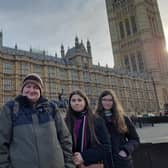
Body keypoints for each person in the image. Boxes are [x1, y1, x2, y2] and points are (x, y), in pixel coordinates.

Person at [0, 73, 75, 168]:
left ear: (40, 91)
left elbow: (65, 139)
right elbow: (1, 144)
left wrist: (69, 165)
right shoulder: (10, 109)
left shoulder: (52, 108)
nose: (31, 90)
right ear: (22, 89)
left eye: (36, 87)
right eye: (28, 86)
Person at [65, 90, 111, 168]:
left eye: (79, 100)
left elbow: (106, 147)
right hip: (70, 165)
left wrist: (84, 156)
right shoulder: (65, 122)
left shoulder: (97, 121)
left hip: (91, 164)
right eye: (73, 100)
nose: (76, 103)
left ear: (85, 102)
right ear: (69, 103)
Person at [95, 90, 140, 168]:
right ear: (100, 101)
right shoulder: (94, 119)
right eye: (104, 100)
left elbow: (135, 139)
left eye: (110, 100)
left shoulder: (123, 118)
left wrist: (125, 151)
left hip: (122, 161)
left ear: (114, 102)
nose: (107, 102)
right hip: (103, 162)